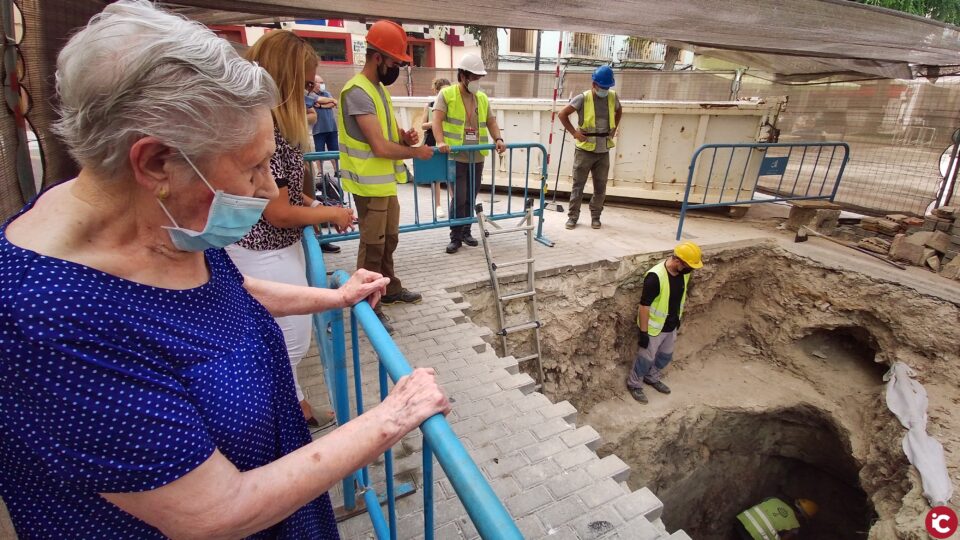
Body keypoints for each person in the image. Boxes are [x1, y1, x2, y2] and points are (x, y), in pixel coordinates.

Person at [0, 3, 450, 538]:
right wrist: (391, 417)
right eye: (251, 167)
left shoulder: (165, 218)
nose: (265, 189)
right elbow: (215, 512)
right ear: (155, 164)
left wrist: (333, 298)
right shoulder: (49, 318)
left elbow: (225, 295)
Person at [227, 30, 355, 427]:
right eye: (303, 85)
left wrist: (315, 204)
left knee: (282, 341)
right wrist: (329, 215)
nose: (308, 95)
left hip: (269, 247)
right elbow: (277, 211)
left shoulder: (269, 126)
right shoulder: (268, 130)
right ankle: (287, 415)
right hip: (265, 249)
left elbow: (283, 196)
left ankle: (295, 406)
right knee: (289, 342)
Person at [338, 20, 432, 332]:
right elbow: (378, 147)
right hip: (367, 184)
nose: (395, 68)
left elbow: (385, 136)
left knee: (389, 240)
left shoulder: (376, 90)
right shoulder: (357, 92)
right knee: (373, 244)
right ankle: (367, 303)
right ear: (377, 57)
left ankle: (388, 289)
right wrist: (415, 153)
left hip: (383, 184)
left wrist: (404, 138)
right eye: (394, 62)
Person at [433, 53, 507, 254]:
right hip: (456, 155)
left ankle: (466, 231)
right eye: (474, 77)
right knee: (459, 196)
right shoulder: (447, 94)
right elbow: (436, 120)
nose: (477, 81)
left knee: (471, 196)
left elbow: (491, 121)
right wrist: (440, 141)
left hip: (477, 155)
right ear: (463, 75)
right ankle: (455, 236)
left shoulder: (481, 98)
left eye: (479, 77)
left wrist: (498, 138)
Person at [628, 241, 703, 403]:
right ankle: (634, 384)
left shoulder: (684, 273)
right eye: (688, 265)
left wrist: (677, 319)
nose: (691, 269)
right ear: (677, 261)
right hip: (654, 329)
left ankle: (652, 377)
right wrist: (643, 332)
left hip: (671, 324)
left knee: (665, 356)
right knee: (645, 358)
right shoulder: (655, 277)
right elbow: (644, 306)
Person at [558, 65, 622, 230]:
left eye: (607, 87)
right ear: (594, 84)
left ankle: (596, 216)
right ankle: (573, 217)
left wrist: (613, 130)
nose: (605, 90)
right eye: (602, 87)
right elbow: (562, 114)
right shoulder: (582, 98)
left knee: (600, 186)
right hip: (584, 150)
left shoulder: (612, 97)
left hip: (603, 150)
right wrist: (575, 133)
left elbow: (619, 111)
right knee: (578, 185)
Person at [421, 77, 451, 219]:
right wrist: (436, 122)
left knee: (451, 173)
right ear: (437, 91)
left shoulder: (452, 104)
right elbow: (423, 125)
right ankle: (438, 205)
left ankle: (454, 202)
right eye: (442, 91)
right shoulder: (430, 105)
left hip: (448, 140)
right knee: (437, 176)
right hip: (433, 140)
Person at [734, 497, 818, 540]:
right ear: (802, 516)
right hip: (754, 538)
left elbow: (757, 505)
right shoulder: (795, 526)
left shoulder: (774, 499)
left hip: (741, 522)